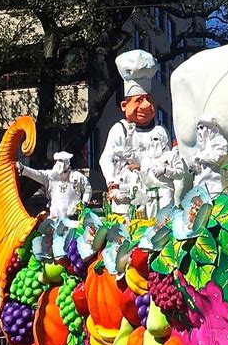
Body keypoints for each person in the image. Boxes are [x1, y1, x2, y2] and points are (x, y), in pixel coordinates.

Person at [99, 49, 171, 216]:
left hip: (156, 189)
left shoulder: (160, 130)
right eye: (139, 100)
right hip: (127, 189)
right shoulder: (120, 129)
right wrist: (112, 182)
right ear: (125, 106)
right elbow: (106, 158)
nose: (146, 106)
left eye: (149, 100)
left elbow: (167, 159)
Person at [17, 151, 92, 220]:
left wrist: (84, 202)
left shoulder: (77, 176)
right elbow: (37, 174)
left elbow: (87, 189)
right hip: (55, 218)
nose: (60, 163)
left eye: (62, 161)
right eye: (58, 160)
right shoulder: (51, 176)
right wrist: (23, 169)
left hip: (73, 218)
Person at [191, 114, 228, 196]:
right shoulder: (202, 147)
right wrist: (195, 166)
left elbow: (218, 157)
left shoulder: (220, 141)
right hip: (201, 191)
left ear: (209, 128)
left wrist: (200, 158)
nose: (199, 131)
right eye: (197, 128)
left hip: (216, 190)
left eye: (201, 128)